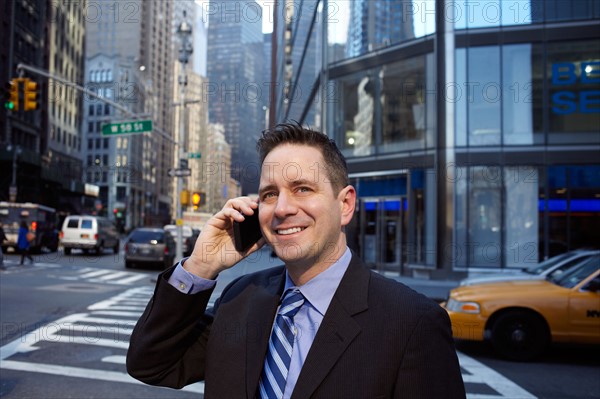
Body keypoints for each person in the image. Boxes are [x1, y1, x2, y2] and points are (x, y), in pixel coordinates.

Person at [127, 123, 466, 398]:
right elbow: (151, 365)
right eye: (269, 194)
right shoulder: (242, 298)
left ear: (345, 204)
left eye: (303, 188)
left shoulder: (413, 323)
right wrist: (200, 267)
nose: (283, 208)